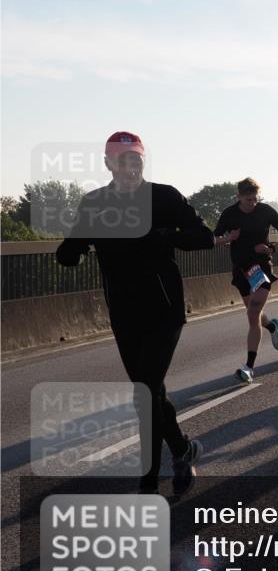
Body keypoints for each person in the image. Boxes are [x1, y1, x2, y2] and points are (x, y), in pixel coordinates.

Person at [56, 131, 213, 495]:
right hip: (124, 313)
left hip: (164, 310)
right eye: (121, 160)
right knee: (151, 391)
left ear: (143, 162)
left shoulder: (165, 196)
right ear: (109, 163)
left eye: (136, 160)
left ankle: (147, 484)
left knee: (144, 393)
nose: (129, 167)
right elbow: (73, 246)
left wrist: (164, 236)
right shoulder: (94, 203)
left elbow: (202, 237)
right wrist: (70, 251)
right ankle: (182, 449)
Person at [214, 178, 278, 383]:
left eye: (255, 199)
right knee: (254, 313)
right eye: (248, 199)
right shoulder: (229, 214)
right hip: (241, 269)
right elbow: (213, 239)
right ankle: (272, 327)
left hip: (261, 269)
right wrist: (228, 239)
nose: (252, 203)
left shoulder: (265, 211)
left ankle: (248, 367)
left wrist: (272, 249)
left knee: (252, 315)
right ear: (238, 197)